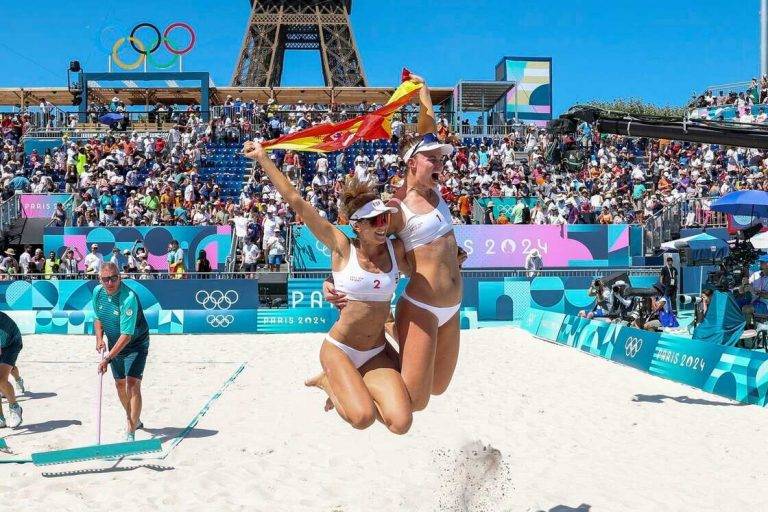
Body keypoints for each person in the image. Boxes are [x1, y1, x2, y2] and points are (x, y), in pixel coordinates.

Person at [244, 139, 414, 434]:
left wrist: (455, 257)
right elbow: (296, 201)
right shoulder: (342, 246)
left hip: (376, 351)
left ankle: (352, 386)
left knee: (401, 423)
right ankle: (328, 381)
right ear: (357, 225)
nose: (382, 225)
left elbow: (426, 244)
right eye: (374, 221)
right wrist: (263, 158)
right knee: (362, 419)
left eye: (384, 218)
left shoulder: (396, 249)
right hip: (341, 349)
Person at [327, 73, 464, 412]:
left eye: (442, 159)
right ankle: (341, 381)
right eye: (432, 158)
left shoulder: (437, 195)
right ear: (411, 163)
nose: (440, 164)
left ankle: (382, 344)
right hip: (423, 307)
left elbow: (426, 128)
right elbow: (363, 242)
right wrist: (333, 280)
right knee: (415, 402)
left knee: (439, 387)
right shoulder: (397, 210)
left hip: (452, 306)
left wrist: (425, 92)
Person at [93, 262, 150, 441]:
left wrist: (107, 358)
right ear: (99, 279)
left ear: (120, 276)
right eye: (106, 279)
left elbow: (126, 335)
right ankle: (134, 418)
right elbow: (97, 317)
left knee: (132, 384)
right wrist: (99, 338)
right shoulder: (98, 292)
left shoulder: (128, 298)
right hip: (114, 344)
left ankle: (131, 430)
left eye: (114, 278)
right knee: (119, 385)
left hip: (135, 344)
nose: (110, 283)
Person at [0, 311, 24, 428]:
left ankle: (15, 408)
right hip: (3, 344)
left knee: (0, 379)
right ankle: (0, 418)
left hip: (12, 344)